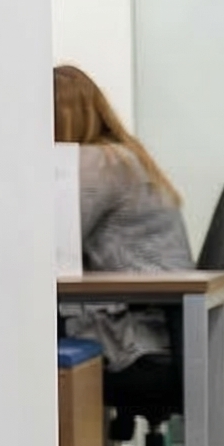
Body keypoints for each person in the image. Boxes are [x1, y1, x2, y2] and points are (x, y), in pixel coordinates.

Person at [53, 65, 195, 410]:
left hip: (134, 339)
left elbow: (50, 244)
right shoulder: (122, 155)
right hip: (165, 332)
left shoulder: (97, 162)